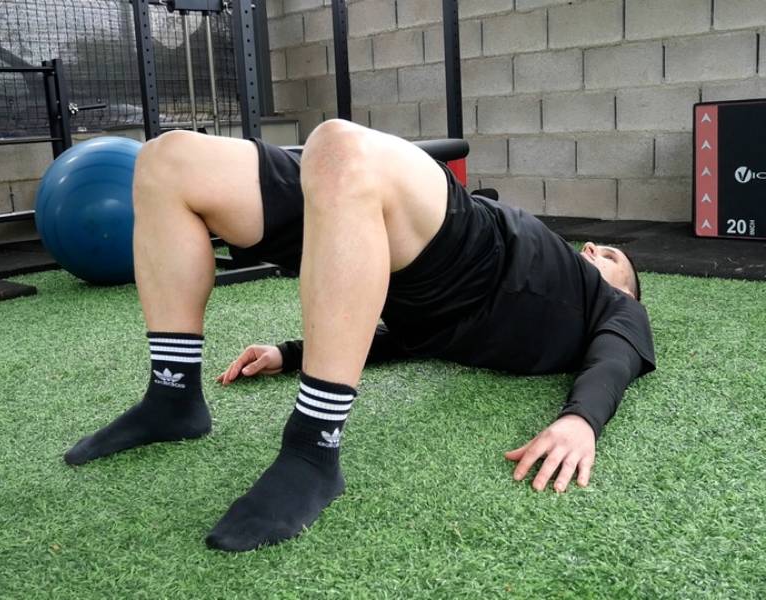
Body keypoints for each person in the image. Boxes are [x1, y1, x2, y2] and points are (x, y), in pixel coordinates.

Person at [64, 120, 655, 553]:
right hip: (423, 238)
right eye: (596, 248)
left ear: (625, 293)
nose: (592, 249)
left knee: (339, 146)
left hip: (471, 254)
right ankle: (172, 395)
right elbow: (404, 336)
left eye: (610, 257)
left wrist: (582, 420)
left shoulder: (610, 306)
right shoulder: (531, 306)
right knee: (166, 160)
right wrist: (290, 354)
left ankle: (313, 449)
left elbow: (618, 354)